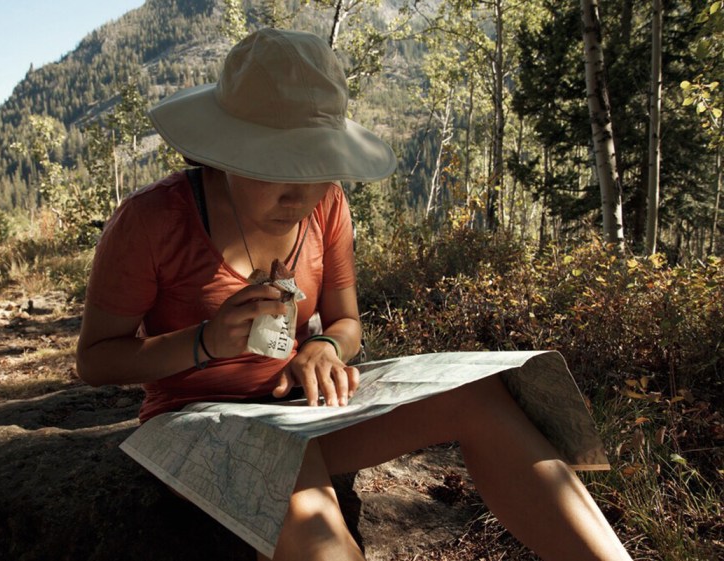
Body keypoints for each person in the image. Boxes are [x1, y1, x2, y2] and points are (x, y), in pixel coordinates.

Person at [76, 28, 632, 561]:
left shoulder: (327, 205)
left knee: (480, 395)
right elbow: (97, 360)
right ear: (224, 151)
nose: (303, 191)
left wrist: (326, 349)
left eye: (317, 165)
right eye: (276, 167)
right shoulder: (152, 221)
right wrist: (204, 343)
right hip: (197, 419)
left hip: (299, 410)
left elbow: (345, 322)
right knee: (302, 506)